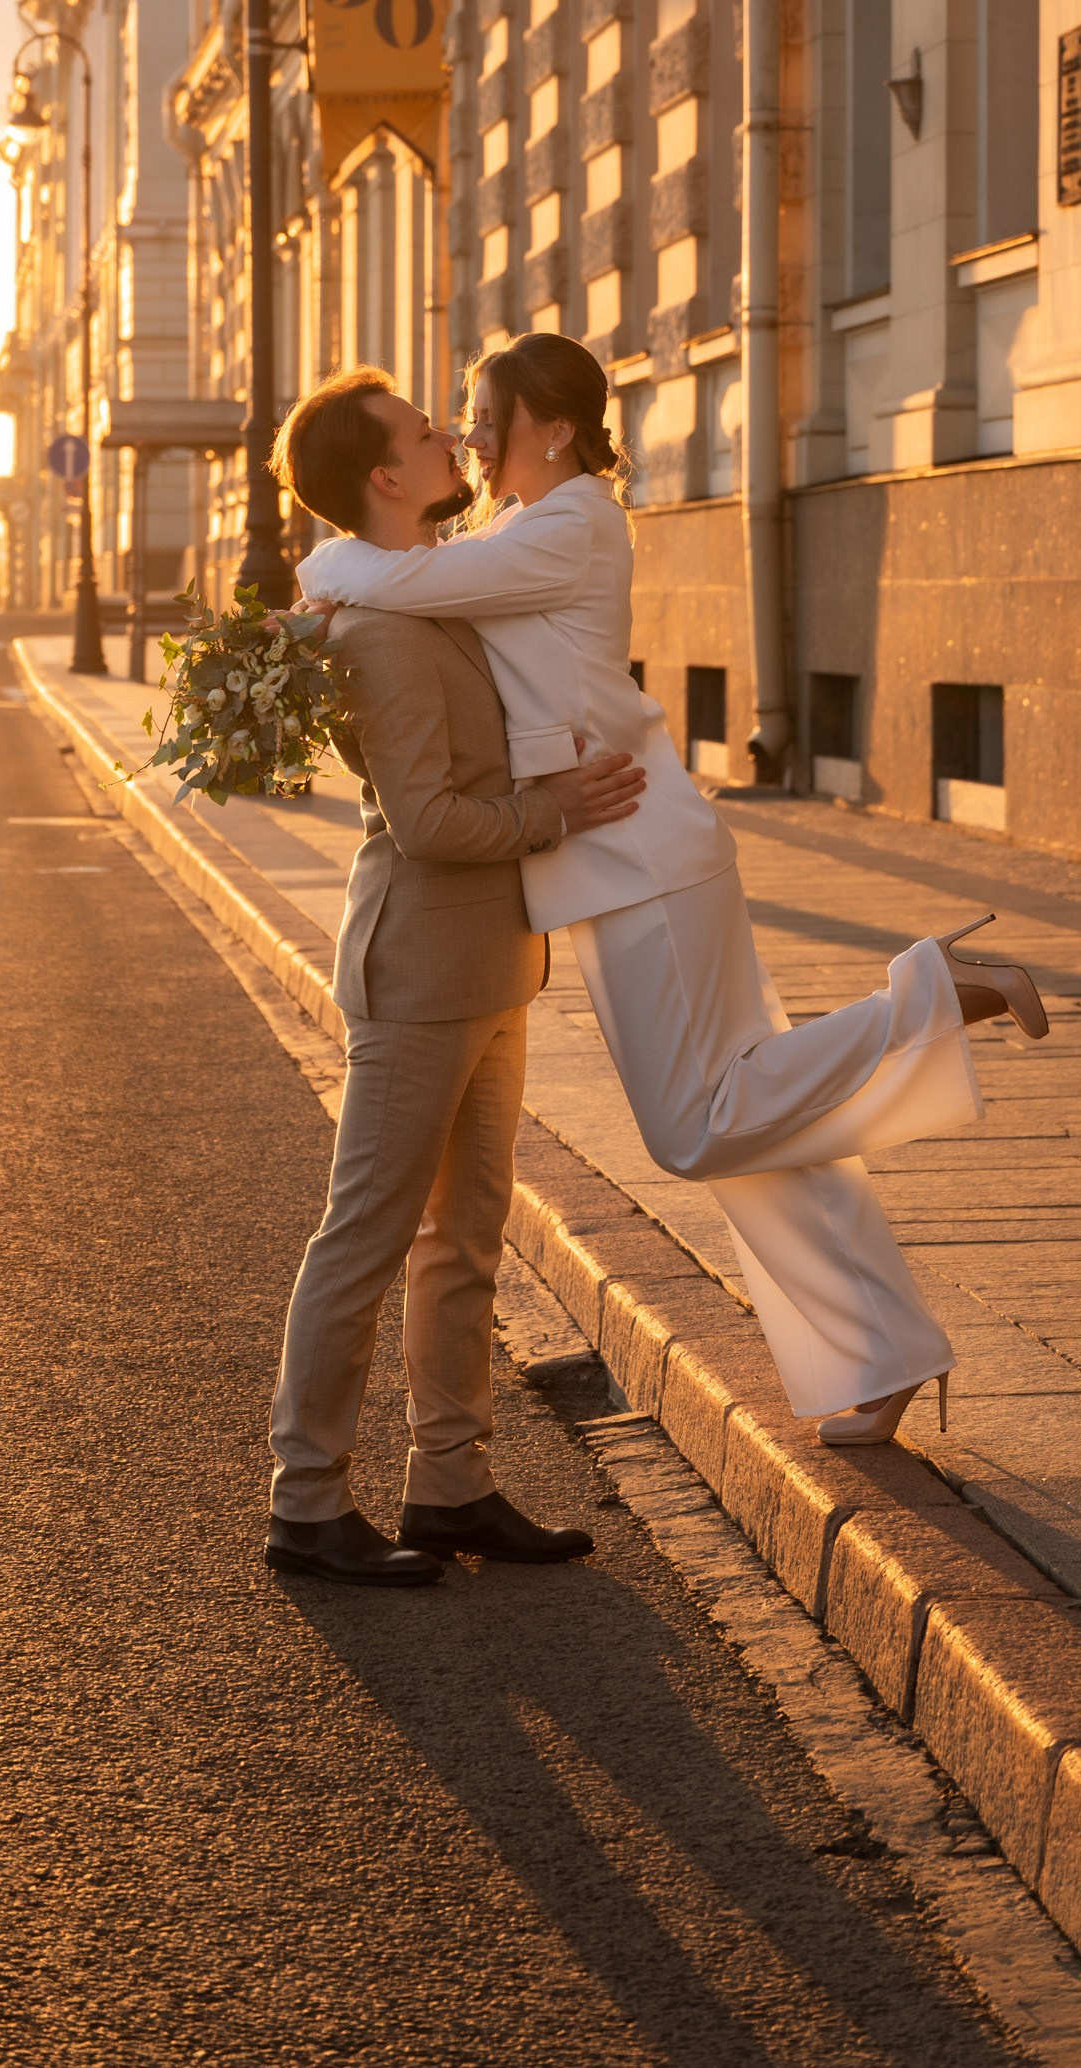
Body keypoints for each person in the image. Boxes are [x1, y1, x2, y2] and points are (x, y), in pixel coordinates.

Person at [297, 332, 1050, 1448]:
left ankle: (936, 990)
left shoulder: (569, 523)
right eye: (452, 417)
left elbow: (397, 575)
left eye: (482, 411)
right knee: (757, 1110)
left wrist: (309, 572)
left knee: (696, 1128)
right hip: (624, 856)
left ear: (550, 426)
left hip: (637, 856)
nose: (465, 430)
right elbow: (421, 588)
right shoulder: (526, 526)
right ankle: (883, 1349)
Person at [262, 367, 649, 1585]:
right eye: (426, 433)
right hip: (419, 959)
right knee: (366, 1236)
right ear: (385, 477)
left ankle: (451, 1482)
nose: (450, 439)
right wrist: (546, 810)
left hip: (490, 960)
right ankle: (308, 1499)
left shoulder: (430, 595)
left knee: (465, 1237)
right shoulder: (375, 630)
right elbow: (426, 820)